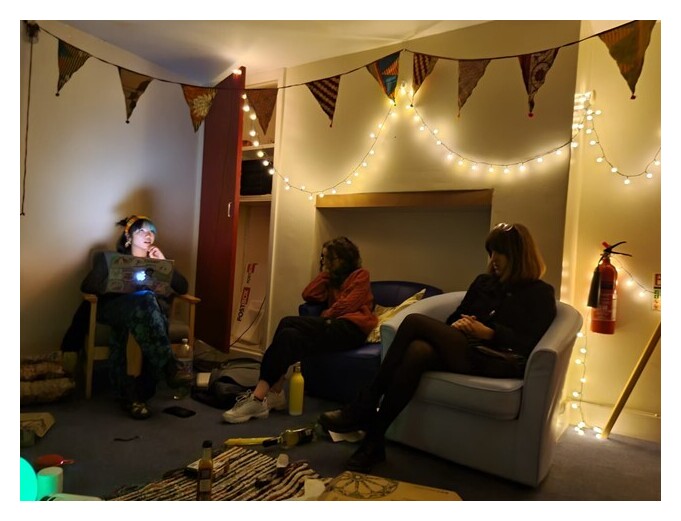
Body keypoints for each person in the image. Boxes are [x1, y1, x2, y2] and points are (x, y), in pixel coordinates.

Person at [318, 223, 557, 472]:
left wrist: (490, 332)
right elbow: (453, 317)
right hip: (465, 347)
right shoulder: (485, 282)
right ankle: (375, 440)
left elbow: (529, 341)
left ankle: (364, 404)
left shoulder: (539, 293)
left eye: (500, 253)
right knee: (416, 352)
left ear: (518, 255)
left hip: (497, 359)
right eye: (491, 252)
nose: (493, 259)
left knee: (412, 322)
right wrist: (460, 326)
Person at [222, 236, 377, 424]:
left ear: (344, 259)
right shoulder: (331, 280)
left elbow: (348, 305)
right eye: (323, 258)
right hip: (331, 328)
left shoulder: (361, 275)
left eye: (329, 259)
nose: (325, 262)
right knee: (289, 336)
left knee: (288, 322)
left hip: (351, 330)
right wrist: (326, 273)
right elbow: (308, 293)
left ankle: (272, 392)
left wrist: (326, 314)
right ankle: (261, 396)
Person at [80, 215, 189, 419]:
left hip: (146, 316)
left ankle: (135, 395)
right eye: (142, 230)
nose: (148, 234)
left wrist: (164, 263)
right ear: (128, 237)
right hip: (115, 308)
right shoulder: (109, 258)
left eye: (152, 231)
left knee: (147, 301)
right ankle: (169, 365)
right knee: (145, 299)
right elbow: (87, 286)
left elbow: (183, 287)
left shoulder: (158, 262)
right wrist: (113, 283)